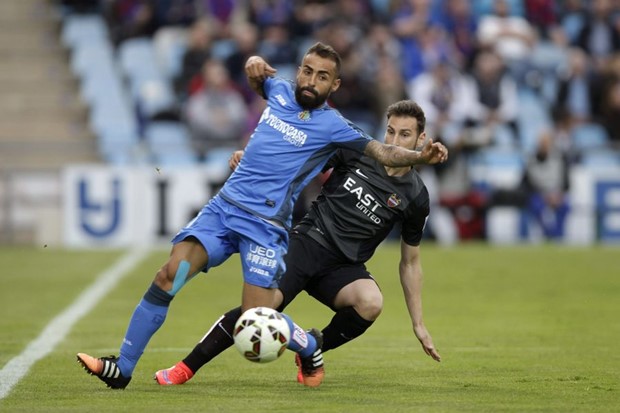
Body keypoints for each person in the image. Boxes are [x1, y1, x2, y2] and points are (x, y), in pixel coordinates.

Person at [76, 42, 448, 390]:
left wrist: (420, 158)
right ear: (299, 71)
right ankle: (123, 368)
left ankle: (306, 345)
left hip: (265, 228)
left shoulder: (337, 129)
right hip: (225, 210)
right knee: (168, 275)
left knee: (254, 319)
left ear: (334, 85)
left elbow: (385, 155)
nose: (310, 80)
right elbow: (260, 83)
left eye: (321, 76)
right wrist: (253, 66)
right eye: (307, 70)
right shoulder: (281, 90)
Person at [153, 100, 442, 387]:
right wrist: (252, 159)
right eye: (390, 131)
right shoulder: (357, 153)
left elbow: (410, 262)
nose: (394, 140)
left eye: (405, 134)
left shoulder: (416, 197)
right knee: (256, 313)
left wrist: (418, 324)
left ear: (422, 139)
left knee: (370, 302)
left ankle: (313, 348)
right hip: (305, 244)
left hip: (343, 267)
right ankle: (185, 368)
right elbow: (297, 162)